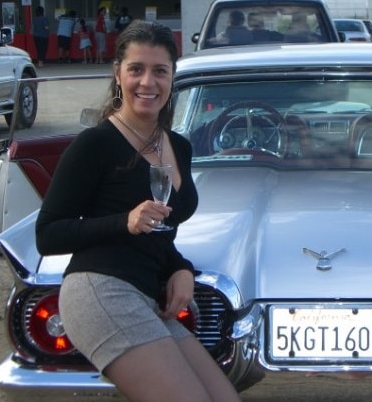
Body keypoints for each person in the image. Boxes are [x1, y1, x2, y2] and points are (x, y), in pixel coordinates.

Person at [35, 20, 242, 402]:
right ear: (118, 74)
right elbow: (48, 233)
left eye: (159, 71)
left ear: (172, 77)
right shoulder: (95, 144)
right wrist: (123, 222)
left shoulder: (178, 146)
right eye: (136, 69)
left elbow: (161, 232)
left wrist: (180, 268)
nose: (148, 82)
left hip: (149, 297)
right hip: (101, 290)